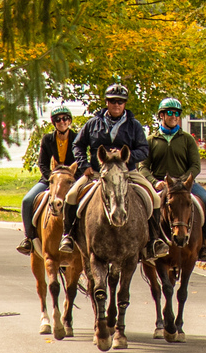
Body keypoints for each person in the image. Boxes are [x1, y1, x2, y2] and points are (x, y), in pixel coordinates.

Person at [60, 84, 170, 256]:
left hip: (127, 173)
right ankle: (68, 236)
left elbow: (143, 150)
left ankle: (154, 240)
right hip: (97, 172)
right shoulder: (92, 124)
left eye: (120, 102)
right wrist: (84, 165)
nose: (116, 105)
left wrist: (125, 156)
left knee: (155, 198)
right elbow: (78, 145)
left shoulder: (134, 125)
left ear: (125, 104)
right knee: (71, 195)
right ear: (107, 102)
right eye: (113, 101)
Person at [146, 99, 206, 264]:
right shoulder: (151, 140)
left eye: (177, 113)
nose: (174, 116)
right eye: (170, 113)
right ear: (161, 115)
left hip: (185, 185)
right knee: (145, 207)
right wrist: (154, 182)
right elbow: (143, 166)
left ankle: (205, 244)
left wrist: (184, 181)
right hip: (161, 184)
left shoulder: (187, 139)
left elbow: (195, 165)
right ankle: (148, 243)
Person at [17, 106, 76, 255]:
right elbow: (42, 162)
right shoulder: (47, 139)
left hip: (71, 181)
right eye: (58, 119)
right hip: (50, 179)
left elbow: (81, 160)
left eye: (65, 118)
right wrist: (52, 178)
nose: (62, 122)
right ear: (53, 122)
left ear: (69, 121)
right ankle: (29, 238)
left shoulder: (76, 138)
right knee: (27, 200)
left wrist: (71, 176)